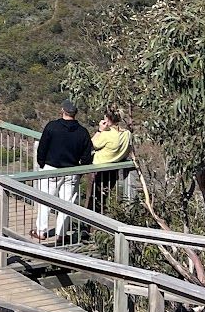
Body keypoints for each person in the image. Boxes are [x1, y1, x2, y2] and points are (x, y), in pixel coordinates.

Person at [33, 99, 94, 242]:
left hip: (51, 169)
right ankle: (61, 234)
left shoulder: (52, 127)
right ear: (75, 113)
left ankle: (41, 231)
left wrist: (42, 164)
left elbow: (42, 148)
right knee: (67, 204)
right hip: (72, 171)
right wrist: (80, 170)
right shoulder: (83, 132)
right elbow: (86, 157)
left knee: (45, 201)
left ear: (62, 110)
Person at [89, 109, 132, 211]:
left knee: (94, 199)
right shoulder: (127, 134)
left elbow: (91, 144)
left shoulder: (107, 134)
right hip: (113, 170)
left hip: (98, 170)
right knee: (104, 197)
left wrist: (100, 130)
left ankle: (90, 218)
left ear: (107, 119)